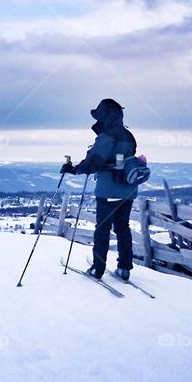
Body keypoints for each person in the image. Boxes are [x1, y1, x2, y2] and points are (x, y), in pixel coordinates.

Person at [61, 98, 138, 281]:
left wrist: (73, 169)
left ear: (105, 116)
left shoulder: (106, 136)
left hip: (108, 190)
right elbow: (126, 157)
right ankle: (124, 268)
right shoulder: (129, 136)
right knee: (123, 228)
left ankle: (98, 268)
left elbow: (93, 162)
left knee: (103, 228)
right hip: (128, 190)